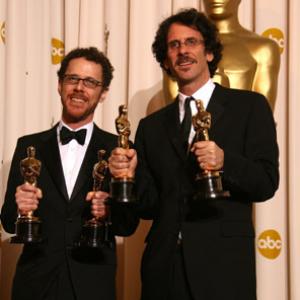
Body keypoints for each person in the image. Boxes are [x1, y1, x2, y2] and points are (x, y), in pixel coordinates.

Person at [109, 8, 279, 300]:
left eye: (192, 42)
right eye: (174, 45)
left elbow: (266, 182)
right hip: (163, 272)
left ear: (209, 53)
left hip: (223, 270)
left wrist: (225, 162)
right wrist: (130, 175)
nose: (183, 51)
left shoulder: (249, 107)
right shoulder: (150, 127)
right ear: (166, 60)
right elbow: (149, 206)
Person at [1, 47, 138, 300]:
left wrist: (110, 209)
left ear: (104, 92)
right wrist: (21, 208)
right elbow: (8, 221)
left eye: (90, 82)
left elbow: (128, 226)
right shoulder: (29, 146)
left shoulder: (119, 150)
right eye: (72, 79)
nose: (79, 88)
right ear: (59, 84)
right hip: (35, 285)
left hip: (93, 284)